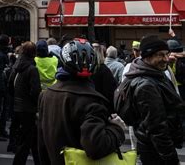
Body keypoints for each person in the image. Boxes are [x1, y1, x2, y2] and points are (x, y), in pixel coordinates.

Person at [38, 39, 125, 164]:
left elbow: (41, 143)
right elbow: (96, 147)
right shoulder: (91, 101)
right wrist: (117, 129)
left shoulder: (47, 95)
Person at [124, 35, 183, 164]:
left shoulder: (155, 74)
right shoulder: (146, 85)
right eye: (160, 55)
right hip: (155, 151)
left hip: (153, 147)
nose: (166, 59)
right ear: (147, 56)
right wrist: (171, 159)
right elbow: (157, 128)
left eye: (167, 54)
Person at [7, 41, 40, 165]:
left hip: (17, 107)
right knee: (26, 141)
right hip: (29, 109)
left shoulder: (16, 66)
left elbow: (10, 85)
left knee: (32, 139)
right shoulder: (32, 69)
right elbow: (35, 91)